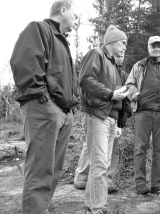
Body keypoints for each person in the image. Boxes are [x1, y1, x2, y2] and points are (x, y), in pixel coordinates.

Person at [10, 1, 78, 213]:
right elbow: (24, 64)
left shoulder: (62, 42)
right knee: (40, 170)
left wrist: (71, 109)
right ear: (63, 10)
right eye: (74, 15)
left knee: (54, 170)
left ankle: (42, 208)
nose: (75, 20)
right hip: (43, 108)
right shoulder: (38, 28)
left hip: (63, 112)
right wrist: (43, 100)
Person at [79, 25, 128, 213]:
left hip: (110, 118)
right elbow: (85, 80)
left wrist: (118, 121)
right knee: (99, 164)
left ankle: (92, 205)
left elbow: (116, 95)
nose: (124, 47)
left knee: (102, 164)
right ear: (112, 42)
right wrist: (110, 94)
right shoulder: (96, 53)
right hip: (96, 115)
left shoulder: (114, 64)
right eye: (122, 43)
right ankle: (98, 208)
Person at [126, 36, 160, 195]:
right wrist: (135, 94)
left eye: (159, 46)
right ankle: (140, 182)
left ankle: (157, 183)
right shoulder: (139, 65)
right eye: (153, 46)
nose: (156, 48)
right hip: (143, 112)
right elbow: (129, 83)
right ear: (148, 47)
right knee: (140, 147)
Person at [73, 56, 131, 194]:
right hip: (97, 114)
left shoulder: (123, 76)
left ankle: (106, 180)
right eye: (117, 55)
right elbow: (89, 86)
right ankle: (81, 177)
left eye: (122, 55)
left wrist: (122, 121)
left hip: (115, 117)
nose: (120, 57)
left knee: (112, 151)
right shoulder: (102, 70)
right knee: (90, 146)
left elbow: (125, 101)